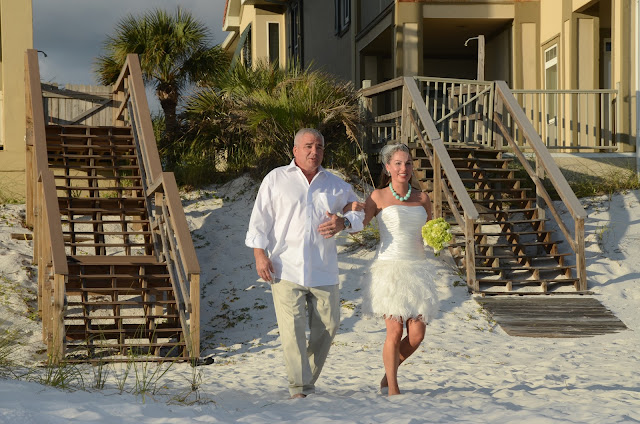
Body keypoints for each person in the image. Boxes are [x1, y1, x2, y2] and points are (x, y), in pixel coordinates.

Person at [245, 128, 365, 399]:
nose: (315, 151)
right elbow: (259, 220)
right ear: (295, 150)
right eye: (309, 146)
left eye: (319, 147)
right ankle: (300, 389)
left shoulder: (335, 184)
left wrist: (343, 222)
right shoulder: (276, 179)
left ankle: (304, 379)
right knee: (293, 331)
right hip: (284, 267)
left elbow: (360, 212)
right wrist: (259, 255)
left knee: (330, 325)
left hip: (323, 269)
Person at [361, 143, 447, 396]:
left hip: (418, 270)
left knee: (417, 335)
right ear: (388, 167)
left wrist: (437, 238)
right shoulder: (377, 196)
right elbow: (360, 224)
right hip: (390, 270)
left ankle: (389, 371)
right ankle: (392, 387)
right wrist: (347, 212)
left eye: (407, 163)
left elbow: (429, 230)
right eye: (397, 163)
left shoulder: (422, 198)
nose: (404, 168)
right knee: (395, 330)